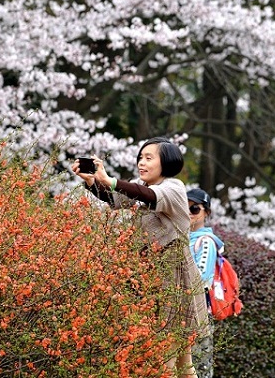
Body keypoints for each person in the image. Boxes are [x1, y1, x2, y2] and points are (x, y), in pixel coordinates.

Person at [73, 137, 209, 378]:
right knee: (182, 361)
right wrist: (93, 183)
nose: (141, 163)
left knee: (167, 354)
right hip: (152, 273)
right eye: (140, 158)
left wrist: (112, 181)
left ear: (166, 162)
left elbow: (149, 196)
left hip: (175, 275)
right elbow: (116, 199)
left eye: (149, 158)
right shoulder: (140, 185)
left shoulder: (174, 186)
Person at [187, 187, 220, 378]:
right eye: (186, 208)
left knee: (200, 368)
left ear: (206, 212)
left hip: (198, 314)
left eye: (195, 209)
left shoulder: (206, 241)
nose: (190, 213)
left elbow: (201, 279)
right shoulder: (182, 238)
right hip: (179, 314)